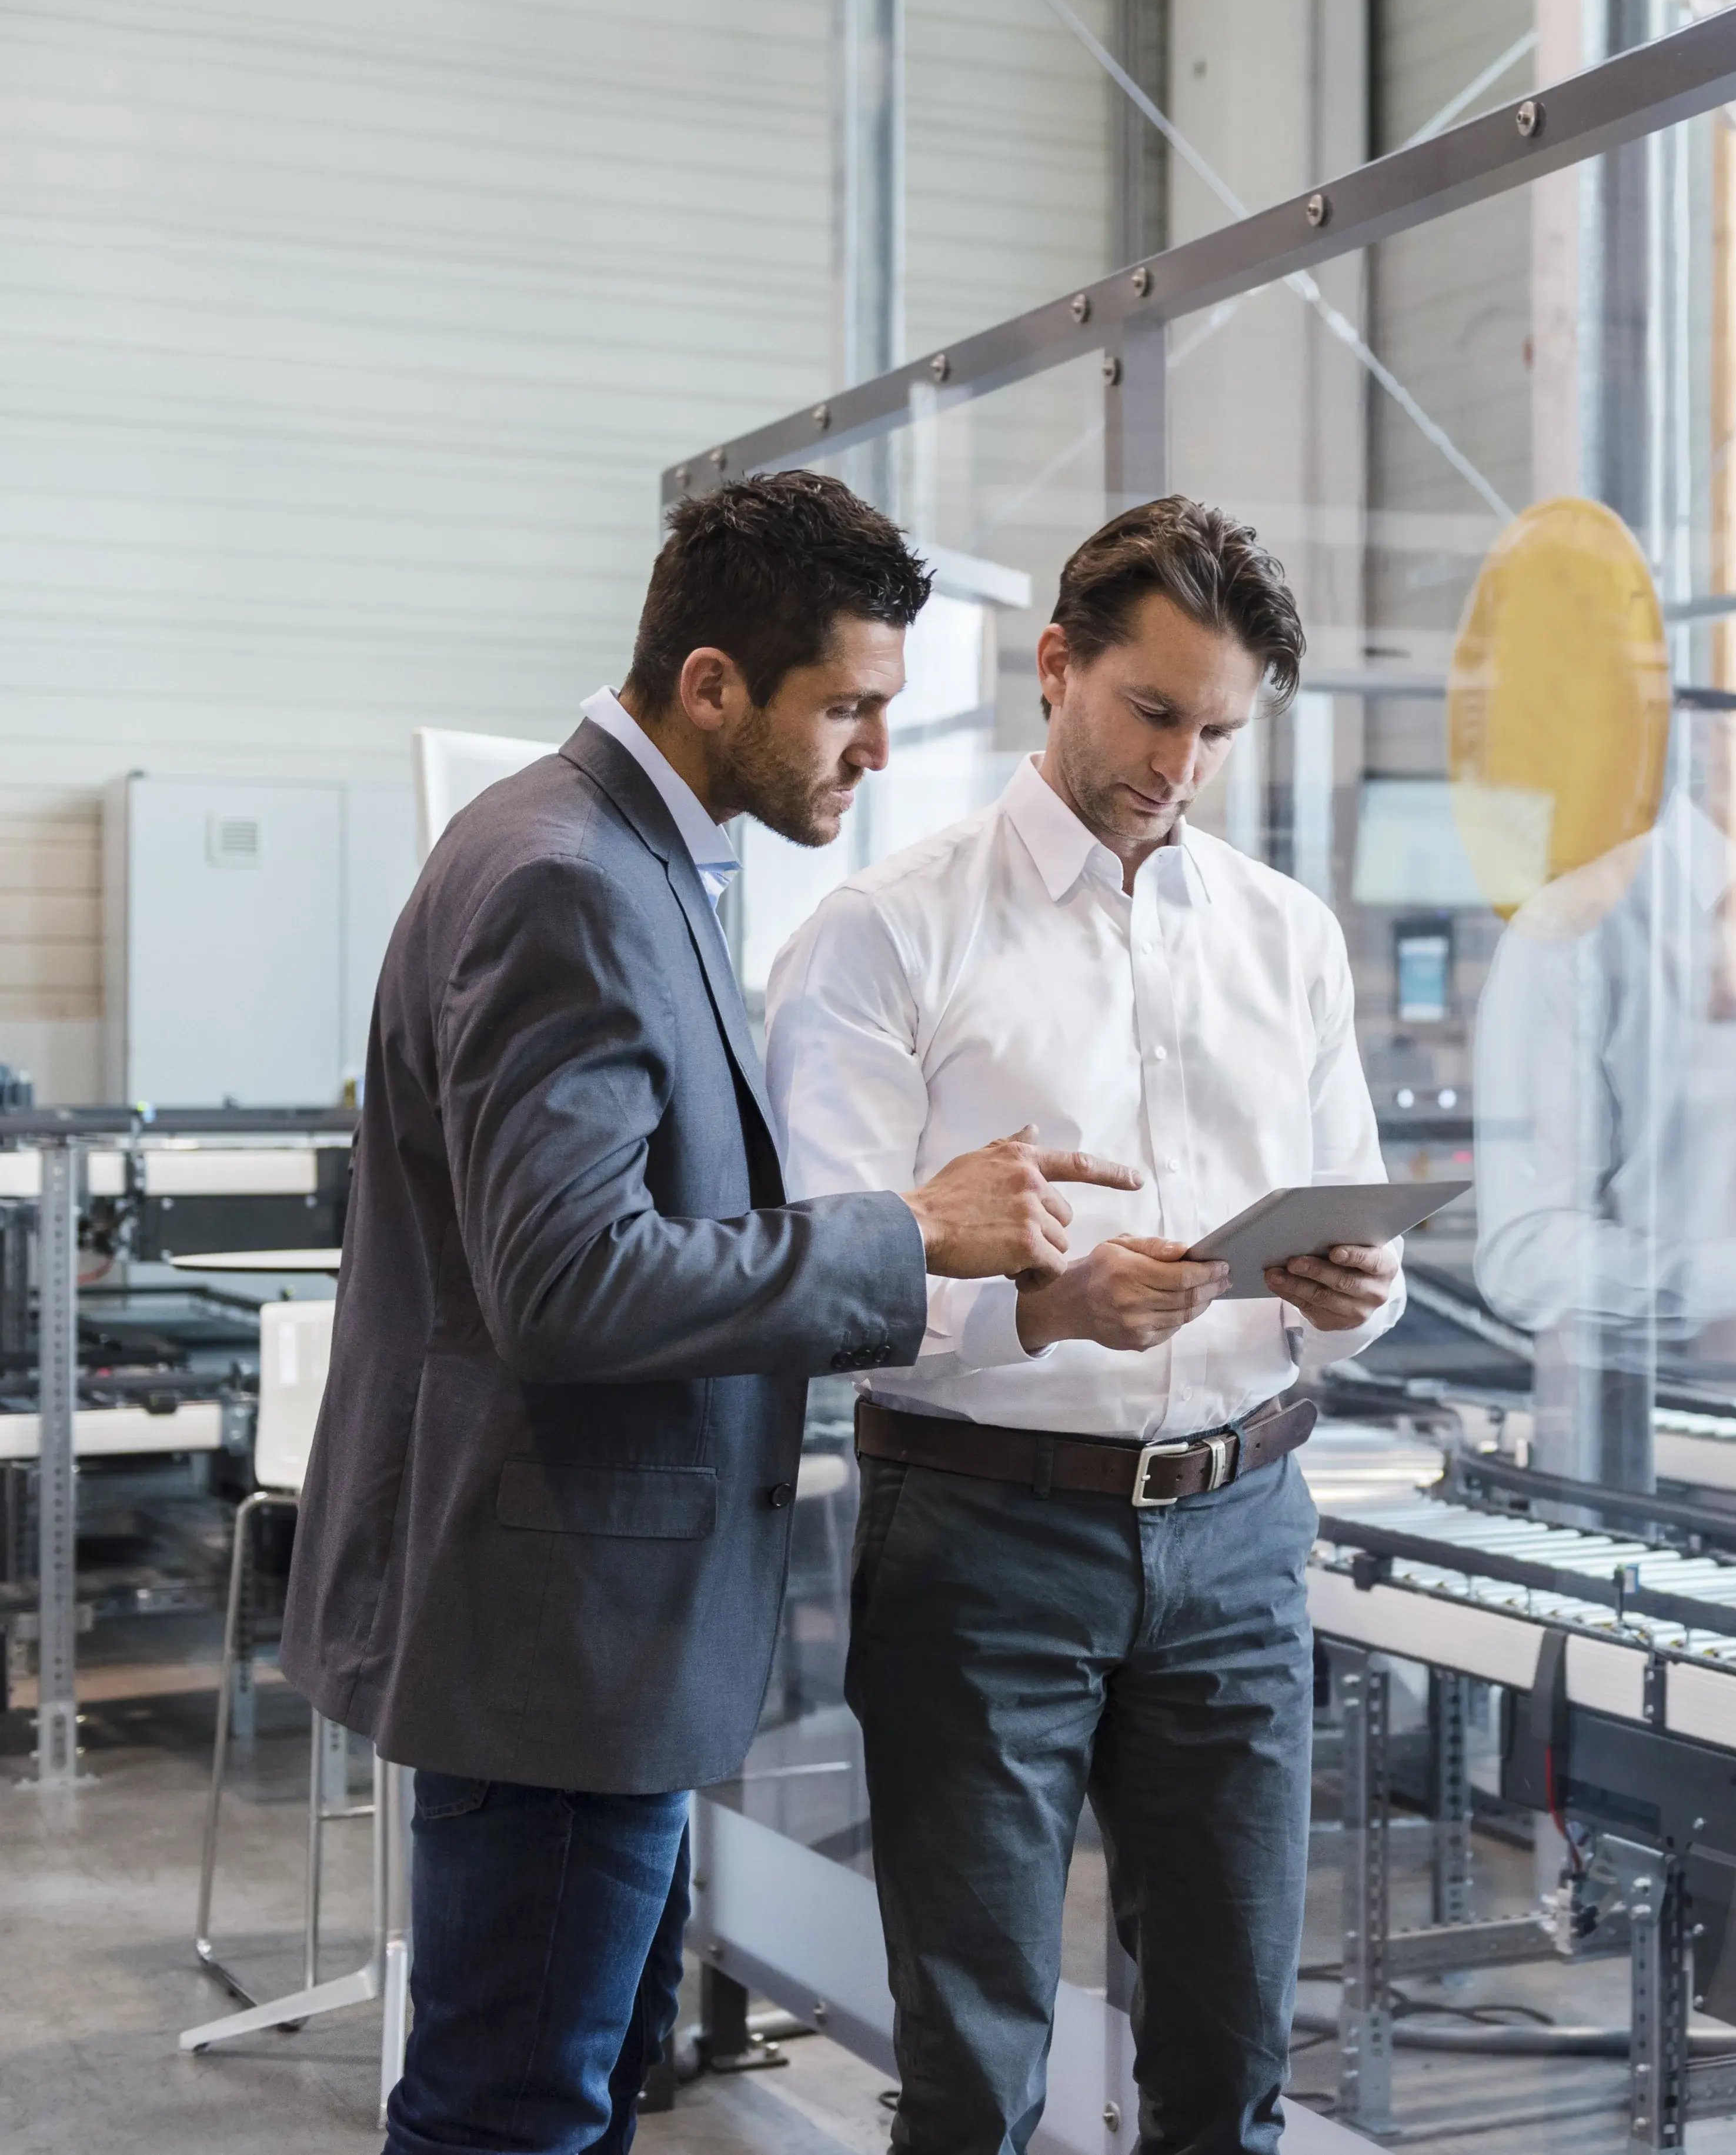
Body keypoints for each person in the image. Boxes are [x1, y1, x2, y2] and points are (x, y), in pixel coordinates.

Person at [279, 472, 1141, 2155]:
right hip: (557, 1633)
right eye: (852, 708)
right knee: (509, 2111)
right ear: (714, 685)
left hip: (574, 1623)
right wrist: (911, 1231)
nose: (878, 752)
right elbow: (572, 1281)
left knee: (567, 2088)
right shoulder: (569, 882)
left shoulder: (600, 851)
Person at [764, 495, 1406, 2154]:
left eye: (1218, 730)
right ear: (1058, 666)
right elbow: (825, 1298)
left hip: (1244, 1530)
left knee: (1230, 2046)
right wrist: (1043, 1312)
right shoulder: (886, 935)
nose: (1181, 763)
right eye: (1153, 710)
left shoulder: (1288, 938)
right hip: (983, 1539)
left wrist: (1353, 1292)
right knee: (975, 2063)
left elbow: (1355, 1238)